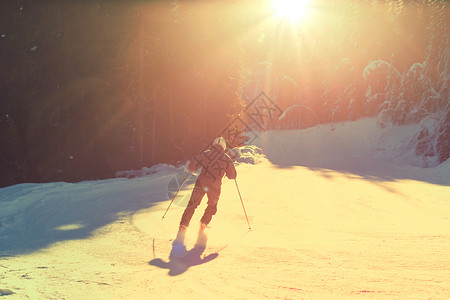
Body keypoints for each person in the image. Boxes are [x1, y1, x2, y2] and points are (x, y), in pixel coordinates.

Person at [175, 137, 237, 245]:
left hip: (201, 183)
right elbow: (233, 176)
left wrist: (194, 167)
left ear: (213, 145)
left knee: (193, 204)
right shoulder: (226, 158)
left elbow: (192, 167)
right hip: (215, 186)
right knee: (212, 205)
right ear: (224, 147)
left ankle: (183, 225)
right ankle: (204, 224)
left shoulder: (205, 154)